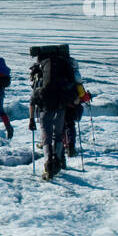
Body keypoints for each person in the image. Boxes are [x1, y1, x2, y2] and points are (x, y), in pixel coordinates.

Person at [27, 45, 78, 180]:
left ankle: (48, 164)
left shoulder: (41, 71)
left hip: (45, 106)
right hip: (61, 105)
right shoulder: (63, 67)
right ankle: (58, 159)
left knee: (46, 136)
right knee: (58, 134)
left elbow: (32, 101)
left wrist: (31, 119)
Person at [63, 60, 93, 156]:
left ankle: (62, 145)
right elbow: (83, 95)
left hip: (60, 106)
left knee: (61, 127)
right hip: (72, 107)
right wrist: (88, 96)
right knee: (70, 126)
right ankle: (71, 147)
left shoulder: (59, 79)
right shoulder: (76, 79)